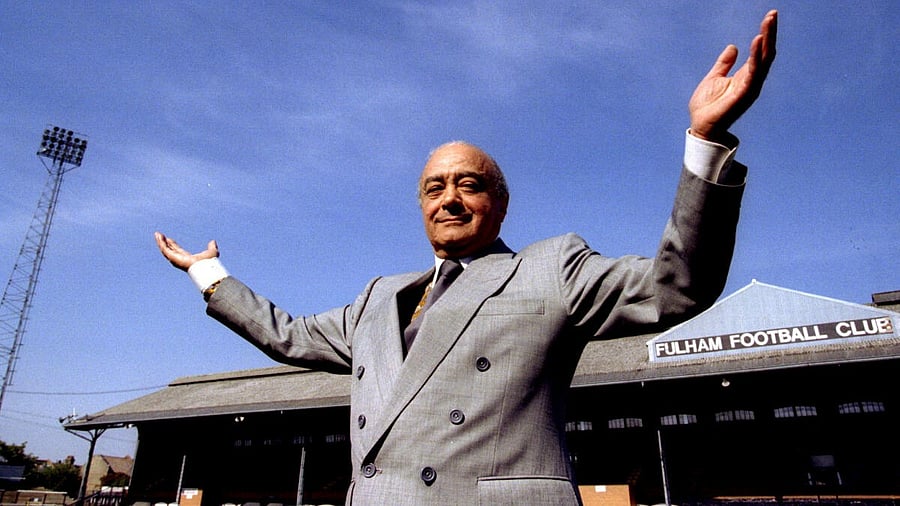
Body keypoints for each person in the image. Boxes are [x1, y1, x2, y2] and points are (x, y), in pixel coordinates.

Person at [156, 10, 776, 505]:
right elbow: (287, 336)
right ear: (420, 206)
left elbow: (677, 286)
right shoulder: (380, 298)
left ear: (501, 205)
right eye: (434, 187)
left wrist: (705, 141)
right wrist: (207, 273)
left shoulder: (550, 270)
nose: (449, 199)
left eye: (469, 185)